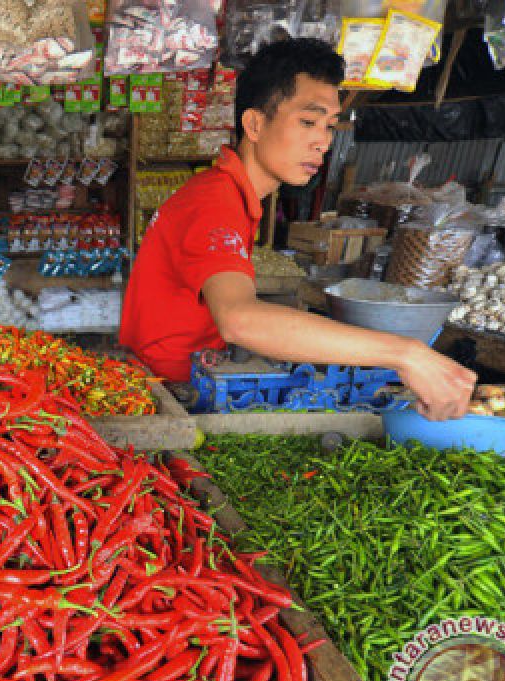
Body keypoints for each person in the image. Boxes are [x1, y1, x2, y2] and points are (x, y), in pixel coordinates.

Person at [120, 38, 475, 421]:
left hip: (180, 384)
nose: (322, 142)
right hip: (167, 400)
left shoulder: (232, 195)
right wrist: (405, 353)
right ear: (255, 124)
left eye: (328, 126)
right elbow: (240, 320)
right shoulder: (214, 202)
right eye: (308, 121)